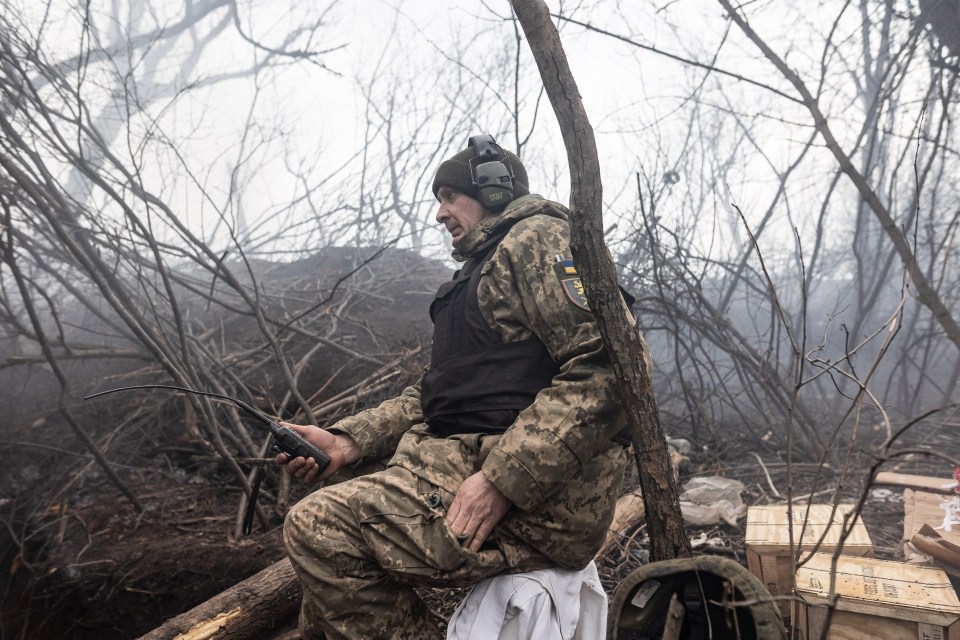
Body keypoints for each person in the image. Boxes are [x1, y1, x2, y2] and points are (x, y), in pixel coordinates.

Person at [278, 135, 639, 640]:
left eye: (449, 197)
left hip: (547, 502)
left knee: (321, 527)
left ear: (492, 191)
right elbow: (440, 395)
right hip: (478, 462)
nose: (440, 213)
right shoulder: (482, 269)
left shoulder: (539, 240)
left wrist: (501, 481)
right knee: (331, 558)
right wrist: (346, 441)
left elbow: (609, 370)